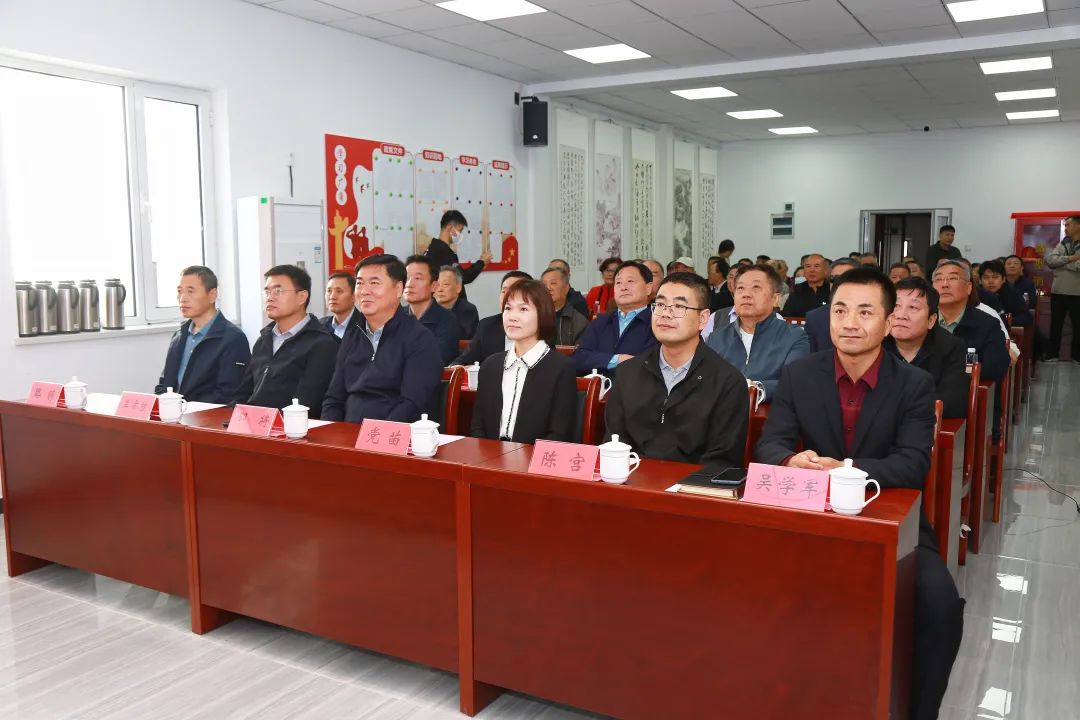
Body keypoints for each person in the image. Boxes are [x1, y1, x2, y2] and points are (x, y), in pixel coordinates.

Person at [755, 267, 964, 720]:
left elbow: (913, 463)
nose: (849, 323)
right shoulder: (799, 374)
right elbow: (770, 444)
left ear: (888, 323)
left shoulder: (914, 384)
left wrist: (845, 471)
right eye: (840, 311)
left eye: (865, 312)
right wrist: (791, 461)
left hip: (891, 524)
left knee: (940, 605)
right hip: (810, 521)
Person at [604, 272, 748, 468]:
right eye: (660, 304)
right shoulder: (627, 373)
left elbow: (721, 460)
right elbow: (614, 442)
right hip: (631, 480)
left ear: (703, 319)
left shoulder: (728, 382)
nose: (665, 313)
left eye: (679, 306)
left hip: (692, 485)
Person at [321, 254, 443, 423]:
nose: (364, 291)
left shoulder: (419, 338)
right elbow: (334, 399)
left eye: (374, 283)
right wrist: (331, 430)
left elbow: (412, 404)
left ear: (398, 289)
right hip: (349, 432)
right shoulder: (352, 335)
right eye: (360, 283)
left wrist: (373, 435)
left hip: (394, 434)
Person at [470, 280, 577, 444]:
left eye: (523, 309)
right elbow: (478, 427)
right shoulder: (491, 365)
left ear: (543, 314)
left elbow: (558, 433)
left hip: (535, 458)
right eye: (508, 308)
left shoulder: (561, 368)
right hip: (490, 456)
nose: (512, 317)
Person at [234, 265, 339, 417]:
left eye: (278, 291)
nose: (270, 297)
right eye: (267, 291)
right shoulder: (264, 340)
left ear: (301, 297)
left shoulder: (322, 344)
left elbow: (307, 403)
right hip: (254, 424)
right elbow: (244, 392)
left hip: (292, 426)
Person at [706, 263, 809, 401]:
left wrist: (757, 389)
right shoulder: (716, 338)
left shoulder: (795, 337)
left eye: (756, 288)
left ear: (776, 299)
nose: (746, 294)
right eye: (740, 288)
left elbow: (795, 383)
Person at [156, 266, 250, 403]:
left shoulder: (233, 338)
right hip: (174, 412)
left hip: (207, 415)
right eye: (179, 291)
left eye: (190, 291)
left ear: (212, 295)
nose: (182, 298)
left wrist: (185, 408)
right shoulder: (179, 336)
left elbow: (229, 394)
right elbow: (164, 384)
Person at [886, 278, 969, 418]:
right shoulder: (876, 342)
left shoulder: (951, 347)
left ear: (931, 320)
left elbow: (952, 403)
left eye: (913, 307)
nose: (900, 315)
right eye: (896, 306)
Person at [573, 261, 658, 377]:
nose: (623, 287)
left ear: (648, 288)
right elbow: (579, 358)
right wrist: (616, 360)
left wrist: (600, 360)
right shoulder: (600, 322)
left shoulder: (657, 323)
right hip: (598, 387)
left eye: (630, 281)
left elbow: (648, 364)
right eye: (618, 282)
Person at [932, 260, 1009, 384]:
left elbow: (995, 368)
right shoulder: (921, 321)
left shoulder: (988, 324)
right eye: (938, 279)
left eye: (953, 278)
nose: (944, 284)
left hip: (966, 391)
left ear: (968, 288)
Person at [452, 271, 532, 366]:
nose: (507, 296)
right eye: (504, 291)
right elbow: (462, 362)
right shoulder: (487, 326)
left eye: (514, 291)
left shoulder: (539, 327)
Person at [403, 255, 460, 365]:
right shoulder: (394, 317)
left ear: (434, 286)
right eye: (406, 278)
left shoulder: (447, 320)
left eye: (417, 278)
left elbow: (436, 360)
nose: (409, 284)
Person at [424, 210, 490, 300]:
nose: (460, 235)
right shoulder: (443, 251)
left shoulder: (434, 248)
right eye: (460, 231)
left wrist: (481, 265)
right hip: (448, 304)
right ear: (450, 227)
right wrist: (481, 263)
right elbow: (463, 277)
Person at [1044, 215, 1080, 362]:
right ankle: (1052, 353)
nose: (1065, 228)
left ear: (1078, 226)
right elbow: (1050, 261)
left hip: (1077, 293)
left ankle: (1076, 356)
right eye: (1065, 225)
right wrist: (1071, 259)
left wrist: (1061, 265)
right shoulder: (1063, 243)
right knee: (1055, 324)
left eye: (1068, 225)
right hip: (1058, 291)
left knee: (1078, 326)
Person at [805, 258, 859, 352]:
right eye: (833, 279)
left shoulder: (873, 314)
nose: (837, 283)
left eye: (845, 279)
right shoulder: (815, 317)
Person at [542, 266, 588, 346]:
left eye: (553, 283)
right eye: (544, 284)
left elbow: (581, 351)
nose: (548, 288)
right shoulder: (533, 316)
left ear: (566, 288)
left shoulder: (578, 321)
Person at [979, 260, 1030, 327]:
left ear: (1003, 279)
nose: (991, 281)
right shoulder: (975, 295)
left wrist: (1005, 321)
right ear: (980, 280)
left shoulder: (1013, 294)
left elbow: (1026, 318)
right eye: (986, 277)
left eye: (995, 277)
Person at [434, 265, 479, 341]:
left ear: (458, 288)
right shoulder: (427, 308)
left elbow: (459, 338)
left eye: (445, 284)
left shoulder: (467, 310)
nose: (439, 289)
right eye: (437, 285)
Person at [321, 271, 360, 339]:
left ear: (354, 296)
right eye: (329, 291)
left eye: (339, 291)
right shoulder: (319, 326)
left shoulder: (366, 326)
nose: (332, 297)